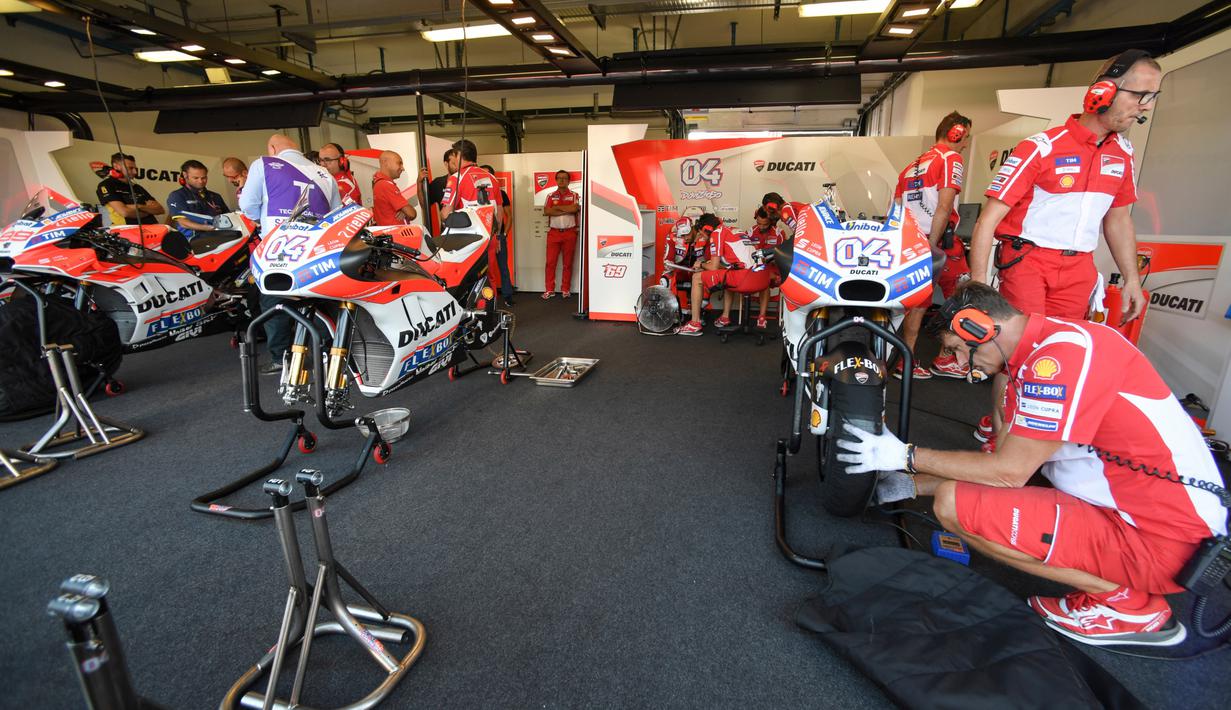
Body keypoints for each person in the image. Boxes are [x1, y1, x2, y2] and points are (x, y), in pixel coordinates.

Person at [834, 282, 1226, 648]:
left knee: (953, 505)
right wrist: (913, 484)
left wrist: (904, 456)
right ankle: (1121, 586)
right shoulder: (1038, 352)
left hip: (1159, 539)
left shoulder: (1058, 361)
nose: (956, 362)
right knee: (971, 484)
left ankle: (1128, 606)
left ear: (980, 328)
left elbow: (1008, 473)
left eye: (956, 349)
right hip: (1137, 511)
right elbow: (1002, 463)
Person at [966, 49, 1158, 452]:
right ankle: (1003, 443)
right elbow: (987, 221)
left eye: (1151, 98)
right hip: (1027, 263)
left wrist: (1134, 282)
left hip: (1079, 270)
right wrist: (980, 289)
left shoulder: (1122, 154)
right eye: (1138, 95)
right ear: (1103, 92)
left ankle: (1029, 435)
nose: (1143, 108)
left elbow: (1118, 220)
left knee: (1061, 357)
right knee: (1019, 353)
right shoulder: (1039, 147)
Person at [239, 133, 341, 375]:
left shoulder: (263, 164)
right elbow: (336, 213)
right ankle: (331, 353)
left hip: (280, 249)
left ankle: (281, 358)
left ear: (273, 148)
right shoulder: (323, 173)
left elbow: (248, 207)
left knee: (275, 306)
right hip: (317, 249)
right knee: (320, 302)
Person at [892, 111, 974, 381]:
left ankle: (906, 360)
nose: (966, 143)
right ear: (956, 133)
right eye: (966, 137)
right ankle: (947, 357)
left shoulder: (910, 167)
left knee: (917, 302)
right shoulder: (951, 159)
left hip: (909, 241)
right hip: (939, 242)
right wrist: (931, 246)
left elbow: (895, 211)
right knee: (964, 296)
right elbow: (944, 207)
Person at [677, 215, 773, 336]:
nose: (702, 237)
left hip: (746, 278)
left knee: (696, 277)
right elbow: (731, 264)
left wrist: (701, 264)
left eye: (702, 234)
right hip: (762, 277)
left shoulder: (716, 234)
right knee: (728, 273)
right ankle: (725, 317)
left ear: (707, 229)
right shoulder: (734, 230)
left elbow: (714, 267)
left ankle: (694, 323)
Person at [166, 160, 229, 241]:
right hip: (193, 242)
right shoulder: (177, 195)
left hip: (221, 239)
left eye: (204, 177)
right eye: (196, 178)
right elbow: (183, 222)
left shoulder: (216, 196)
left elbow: (227, 217)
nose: (200, 181)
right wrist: (208, 228)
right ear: (185, 175)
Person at [95, 152, 164, 227]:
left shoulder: (137, 187)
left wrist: (138, 207)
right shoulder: (107, 184)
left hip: (154, 227)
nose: (135, 172)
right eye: (131, 168)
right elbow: (125, 212)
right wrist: (148, 211)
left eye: (135, 169)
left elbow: (160, 210)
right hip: (128, 229)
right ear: (116, 166)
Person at [746, 207, 787, 329]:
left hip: (772, 270)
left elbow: (782, 256)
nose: (761, 227)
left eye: (765, 224)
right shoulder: (750, 232)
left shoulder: (779, 233)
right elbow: (745, 253)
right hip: (754, 268)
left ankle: (762, 316)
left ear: (771, 222)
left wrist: (768, 259)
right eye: (758, 223)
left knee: (764, 277)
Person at [541, 169, 580, 299]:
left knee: (567, 263)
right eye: (559, 178)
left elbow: (574, 208)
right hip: (554, 233)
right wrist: (566, 209)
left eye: (564, 178)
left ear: (568, 181)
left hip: (570, 233)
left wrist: (557, 209)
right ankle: (549, 289)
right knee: (550, 263)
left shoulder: (574, 195)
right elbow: (547, 211)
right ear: (556, 180)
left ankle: (565, 289)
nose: (562, 180)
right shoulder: (550, 195)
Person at [482, 164, 516, 306]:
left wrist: (503, 234)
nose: (486, 177)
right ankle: (488, 299)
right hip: (482, 238)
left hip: (498, 237)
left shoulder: (500, 194)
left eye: (488, 174)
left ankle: (508, 296)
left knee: (503, 267)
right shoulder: (476, 193)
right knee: (483, 271)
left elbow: (509, 216)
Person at [370, 150, 417, 226]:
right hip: (396, 235)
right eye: (399, 163)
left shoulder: (379, 183)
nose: (403, 168)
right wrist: (406, 211)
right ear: (386, 162)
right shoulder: (386, 185)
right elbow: (412, 214)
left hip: (391, 233)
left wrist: (404, 211)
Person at [417, 148, 456, 223]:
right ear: (446, 164)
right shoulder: (438, 183)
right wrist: (419, 182)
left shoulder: (466, 180)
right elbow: (424, 205)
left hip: (468, 229)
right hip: (447, 231)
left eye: (458, 163)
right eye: (454, 163)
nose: (457, 167)